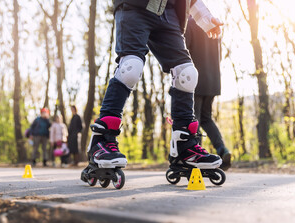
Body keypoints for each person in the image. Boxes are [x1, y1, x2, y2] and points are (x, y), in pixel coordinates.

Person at [83, 0, 224, 177]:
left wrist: (205, 18)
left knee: (187, 74)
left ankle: (185, 146)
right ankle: (101, 141)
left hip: (169, 11)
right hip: (134, 7)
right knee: (131, 68)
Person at [185, 17, 231, 170]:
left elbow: (183, 51)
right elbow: (220, 53)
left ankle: (197, 154)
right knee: (206, 118)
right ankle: (222, 149)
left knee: (195, 118)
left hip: (196, 78)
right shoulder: (212, 24)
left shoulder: (189, 24)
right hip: (213, 80)